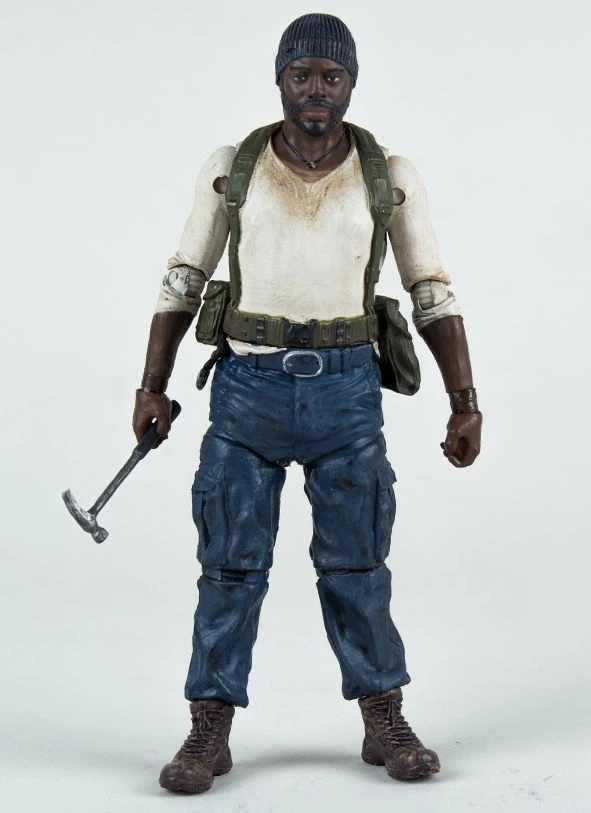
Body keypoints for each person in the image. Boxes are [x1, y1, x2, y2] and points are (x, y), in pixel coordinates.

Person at [132, 13, 482, 794]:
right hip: (246, 394)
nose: (315, 88)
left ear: (351, 82)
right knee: (229, 565)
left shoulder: (389, 174)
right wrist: (150, 386)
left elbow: (429, 288)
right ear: (279, 79)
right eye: (301, 74)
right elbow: (184, 275)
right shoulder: (235, 166)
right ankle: (209, 724)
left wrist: (464, 399)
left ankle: (383, 715)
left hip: (346, 393)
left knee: (358, 564)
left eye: (331, 74)